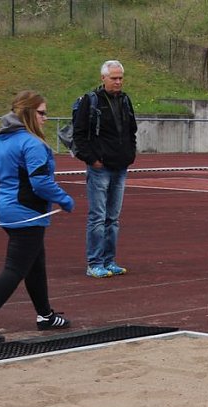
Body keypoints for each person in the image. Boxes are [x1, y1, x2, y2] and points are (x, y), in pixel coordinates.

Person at [0, 90, 75, 344]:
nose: (46, 118)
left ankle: (45, 315)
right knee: (15, 268)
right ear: (28, 113)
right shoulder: (32, 144)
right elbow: (40, 182)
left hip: (8, 209)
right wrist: (65, 199)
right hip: (27, 213)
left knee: (35, 263)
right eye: (42, 113)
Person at [72, 59, 138, 278]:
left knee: (113, 218)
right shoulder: (91, 101)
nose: (118, 82)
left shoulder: (125, 101)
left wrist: (130, 154)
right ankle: (94, 263)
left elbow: (132, 130)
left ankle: (109, 261)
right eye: (114, 78)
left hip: (120, 166)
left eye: (120, 78)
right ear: (103, 78)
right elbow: (79, 135)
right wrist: (92, 159)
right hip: (100, 168)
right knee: (98, 217)